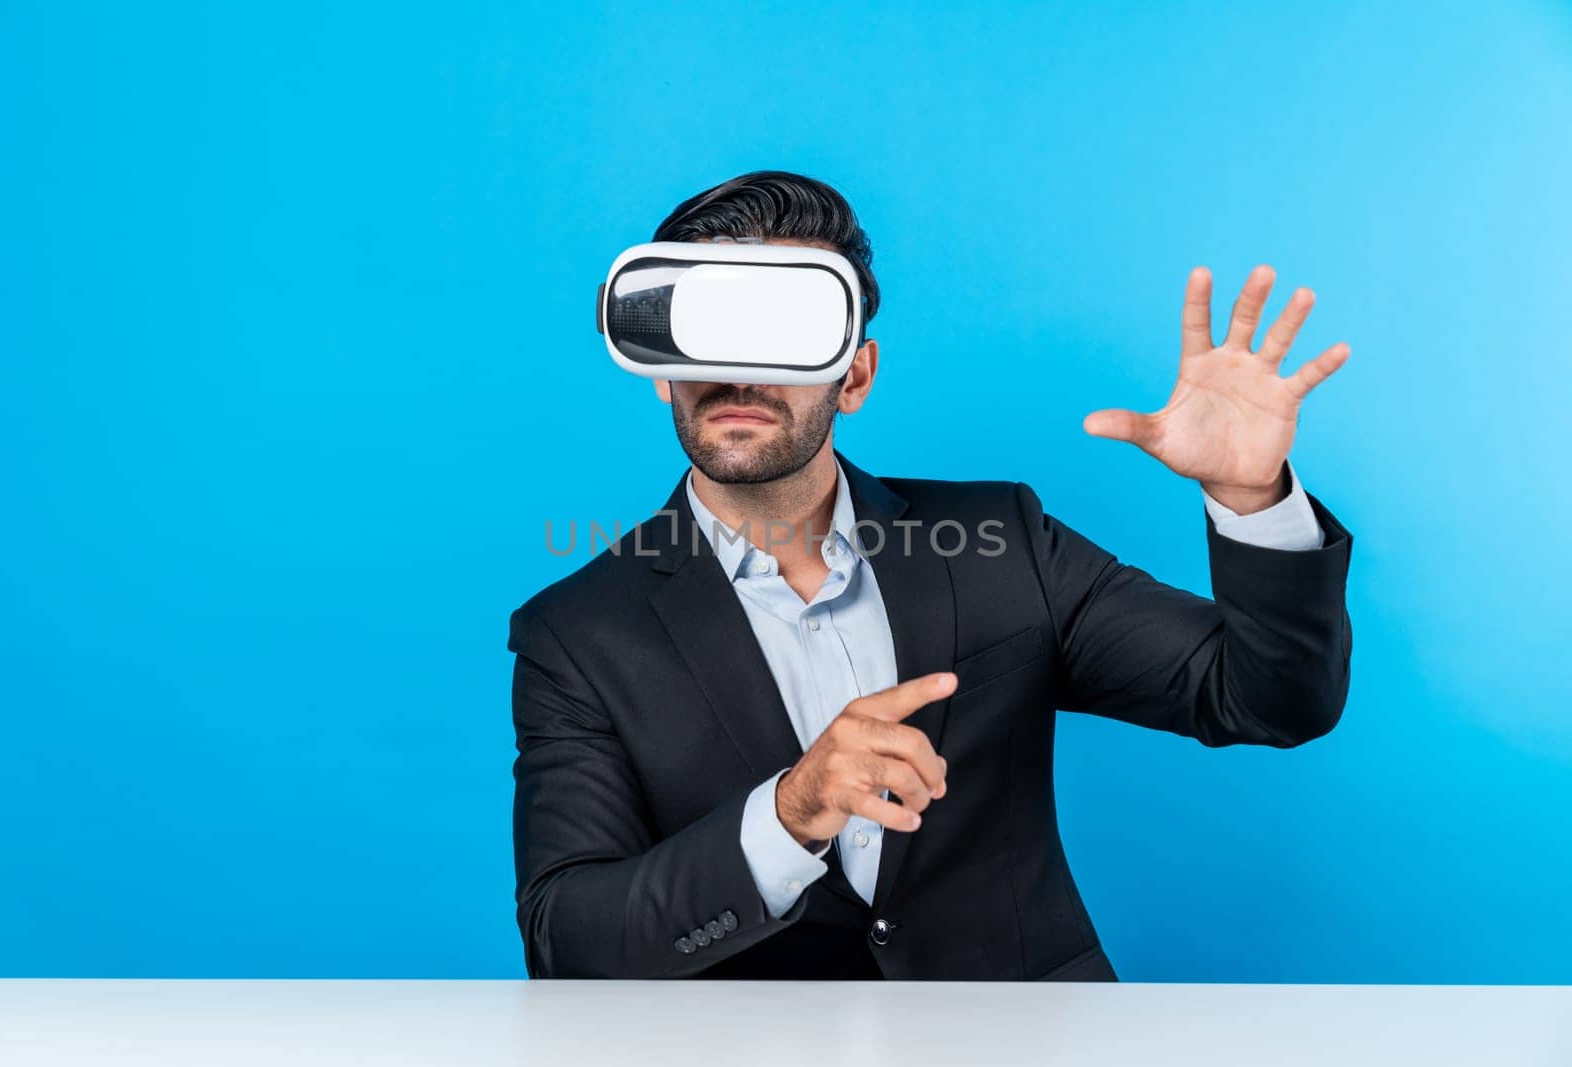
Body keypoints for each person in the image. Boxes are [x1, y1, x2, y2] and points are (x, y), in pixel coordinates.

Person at [508, 170, 1354, 979]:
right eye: (711, 332)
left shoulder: (1002, 540)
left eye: (785, 330)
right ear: (662, 370)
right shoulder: (578, 635)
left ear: (856, 376)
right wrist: (788, 813)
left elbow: (1270, 699)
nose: (740, 373)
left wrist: (1253, 499)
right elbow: (567, 939)